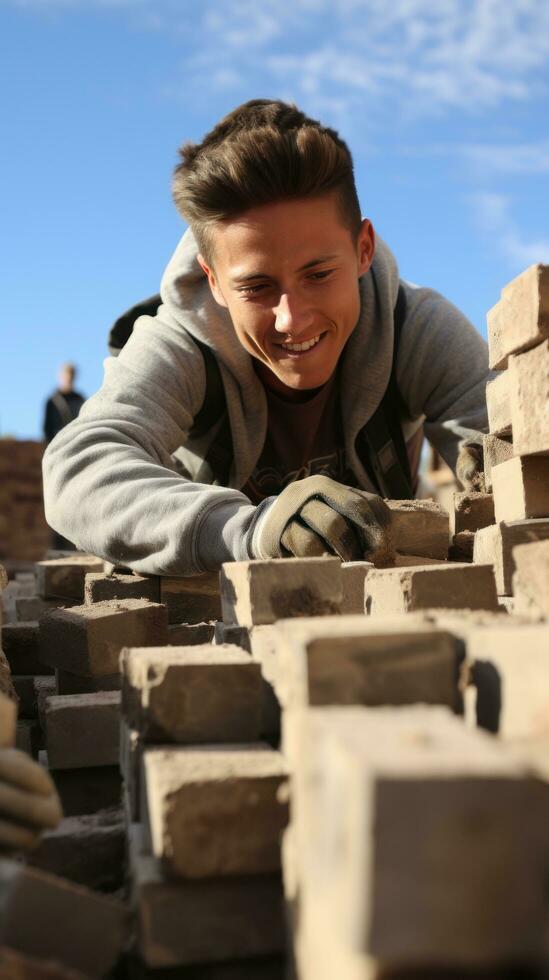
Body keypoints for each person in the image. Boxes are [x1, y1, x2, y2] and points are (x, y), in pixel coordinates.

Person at [42, 100, 490, 575]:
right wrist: (250, 530)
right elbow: (76, 471)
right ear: (214, 281)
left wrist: (491, 468)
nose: (290, 321)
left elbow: (516, 450)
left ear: (363, 250)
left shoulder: (414, 329)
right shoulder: (182, 344)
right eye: (256, 287)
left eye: (318, 274)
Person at [43, 363, 85, 444]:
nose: (68, 379)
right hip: (56, 443)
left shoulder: (80, 400)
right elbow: (47, 429)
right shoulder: (52, 401)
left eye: (71, 375)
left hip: (76, 442)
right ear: (61, 376)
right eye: (66, 375)